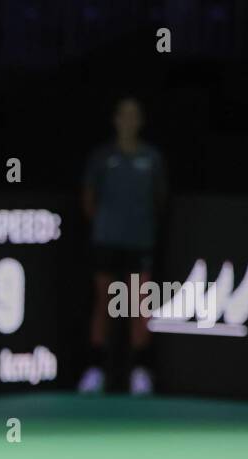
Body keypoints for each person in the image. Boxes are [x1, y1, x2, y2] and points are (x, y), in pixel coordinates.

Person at [78, 97, 167, 396]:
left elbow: (159, 201)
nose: (129, 120)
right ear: (116, 120)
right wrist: (107, 225)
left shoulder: (151, 158)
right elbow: (89, 200)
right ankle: (95, 371)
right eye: (123, 115)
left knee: (137, 305)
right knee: (104, 303)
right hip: (106, 241)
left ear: (140, 121)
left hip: (139, 242)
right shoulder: (102, 157)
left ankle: (140, 372)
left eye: (134, 115)